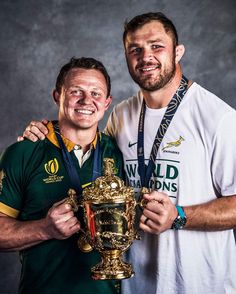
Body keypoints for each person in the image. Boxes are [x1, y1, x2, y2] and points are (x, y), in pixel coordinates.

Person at [18, 12, 236, 294]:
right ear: (126, 57)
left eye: (156, 46)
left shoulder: (218, 117)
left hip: (198, 284)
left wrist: (179, 216)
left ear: (178, 51)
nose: (146, 57)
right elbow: (84, 145)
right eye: (135, 49)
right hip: (132, 284)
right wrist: (46, 130)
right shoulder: (121, 115)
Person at [0, 57, 124, 294]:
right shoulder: (24, 152)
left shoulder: (117, 152)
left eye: (96, 93)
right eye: (76, 91)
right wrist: (45, 229)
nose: (87, 101)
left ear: (107, 103)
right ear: (58, 96)